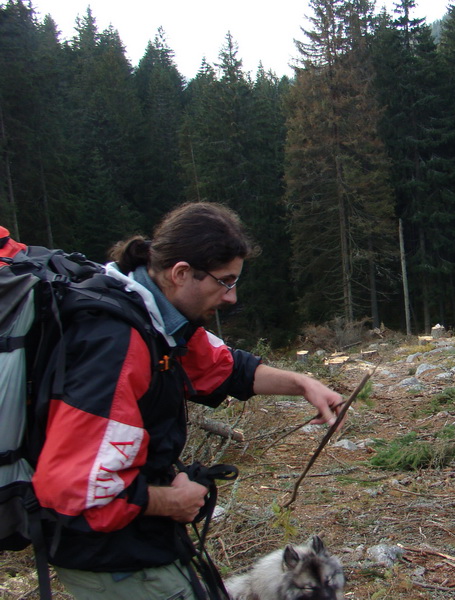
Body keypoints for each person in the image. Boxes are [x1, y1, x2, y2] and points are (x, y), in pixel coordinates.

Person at [29, 202, 344, 600]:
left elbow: (225, 368)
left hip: (143, 541)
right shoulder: (115, 344)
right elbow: (75, 490)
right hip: (112, 557)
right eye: (225, 281)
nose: (231, 297)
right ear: (180, 273)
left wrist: (302, 384)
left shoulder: (158, 320)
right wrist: (170, 501)